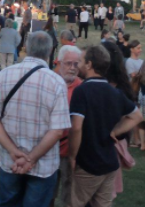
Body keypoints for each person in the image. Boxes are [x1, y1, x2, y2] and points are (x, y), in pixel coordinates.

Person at [0, 32, 70, 206]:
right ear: (51, 50)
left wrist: (14, 152)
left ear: (25, 47)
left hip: (11, 161)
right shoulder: (57, 82)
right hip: (43, 164)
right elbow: (57, 130)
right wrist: (31, 158)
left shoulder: (3, 75)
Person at [68, 45, 143, 207]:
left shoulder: (82, 91)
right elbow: (137, 116)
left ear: (89, 65)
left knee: (75, 203)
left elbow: (76, 127)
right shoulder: (114, 92)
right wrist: (116, 131)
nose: (77, 65)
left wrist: (72, 156)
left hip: (88, 162)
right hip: (110, 163)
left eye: (80, 61)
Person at [51, 45, 83, 206]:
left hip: (70, 152)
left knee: (69, 193)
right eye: (68, 63)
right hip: (48, 149)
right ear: (59, 62)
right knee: (46, 193)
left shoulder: (83, 88)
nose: (72, 68)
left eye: (76, 64)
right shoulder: (49, 82)